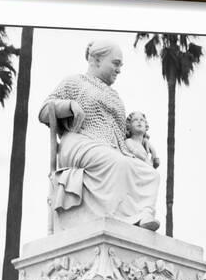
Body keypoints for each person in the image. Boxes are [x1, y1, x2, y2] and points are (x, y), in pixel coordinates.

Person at [38, 39, 160, 232]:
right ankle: (118, 219)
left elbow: (123, 134)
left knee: (150, 174)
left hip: (113, 149)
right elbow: (45, 111)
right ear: (96, 59)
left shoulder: (115, 96)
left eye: (121, 65)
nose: (119, 69)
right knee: (117, 163)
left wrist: (142, 143)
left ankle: (142, 215)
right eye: (116, 63)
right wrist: (69, 106)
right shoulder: (75, 82)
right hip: (80, 141)